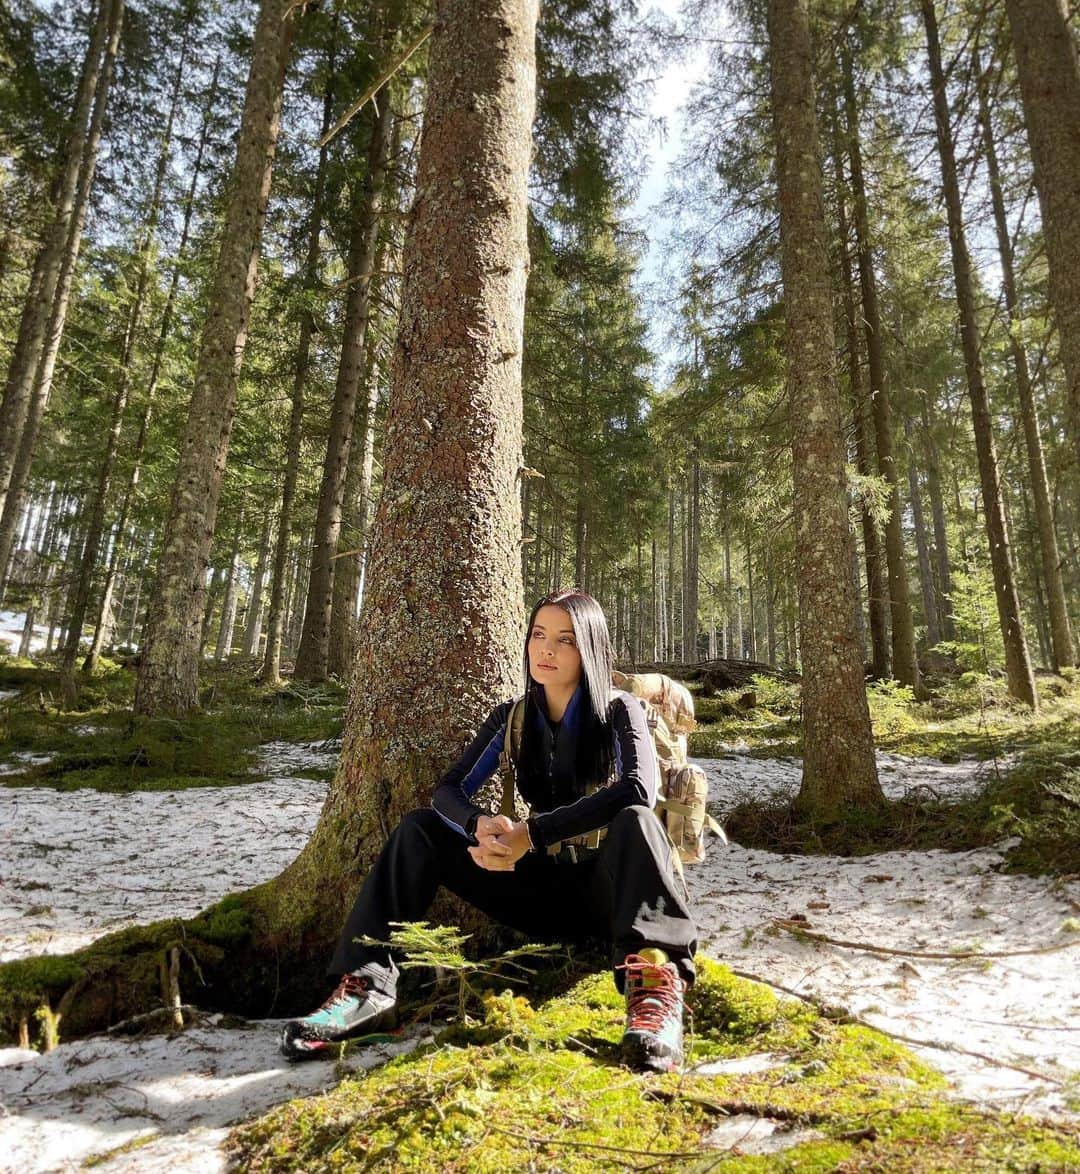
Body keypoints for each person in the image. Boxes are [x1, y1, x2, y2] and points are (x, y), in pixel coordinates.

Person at [280, 588, 698, 1071]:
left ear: (590, 649)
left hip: (611, 898)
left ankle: (654, 994)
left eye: (565, 640)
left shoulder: (619, 711)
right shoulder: (513, 717)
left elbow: (636, 790)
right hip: (541, 893)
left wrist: (530, 833)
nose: (546, 650)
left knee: (637, 822)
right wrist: (481, 828)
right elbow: (447, 791)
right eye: (538, 635)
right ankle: (366, 988)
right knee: (419, 830)